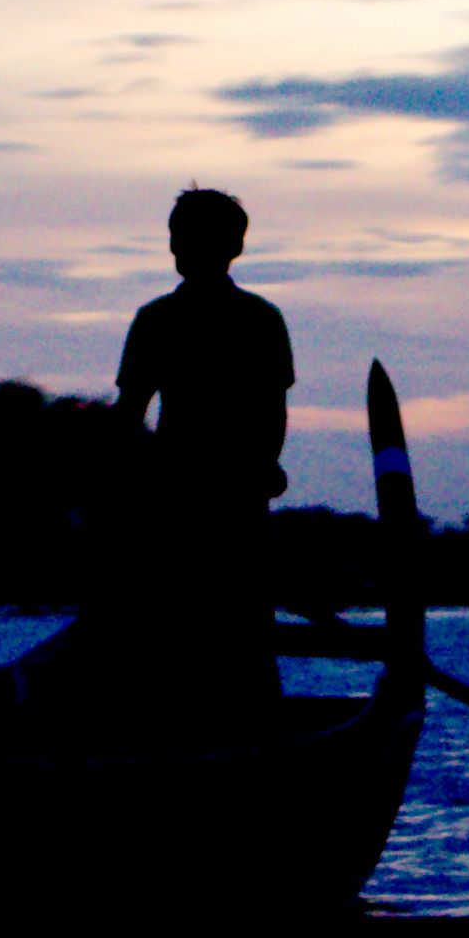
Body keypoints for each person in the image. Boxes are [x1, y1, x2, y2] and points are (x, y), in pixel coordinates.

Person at [96, 187, 292, 724]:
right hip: (183, 499)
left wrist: (258, 468)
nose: (179, 247)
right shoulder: (248, 318)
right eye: (177, 236)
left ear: (231, 246)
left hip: (219, 498)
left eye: (185, 237)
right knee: (208, 629)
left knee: (231, 628)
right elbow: (131, 414)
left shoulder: (236, 319)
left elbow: (129, 414)